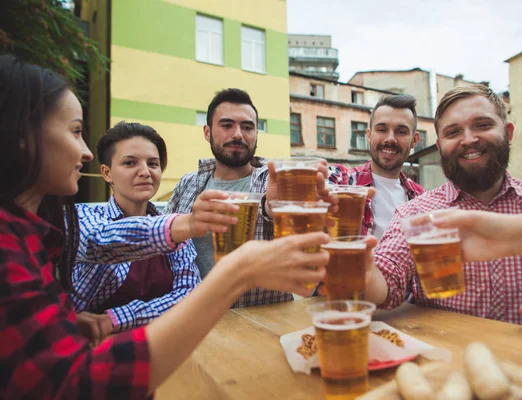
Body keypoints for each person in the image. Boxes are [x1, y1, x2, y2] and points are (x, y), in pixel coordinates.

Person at [0, 55, 330, 398]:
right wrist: (196, 234)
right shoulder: (182, 188)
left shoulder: (273, 180)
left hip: (258, 330)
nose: (83, 151)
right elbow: (105, 239)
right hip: (188, 339)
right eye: (76, 132)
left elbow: (167, 268)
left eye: (248, 126)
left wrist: (74, 323)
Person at [365, 84, 522, 341]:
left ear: (508, 133)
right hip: (444, 365)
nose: (468, 139)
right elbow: (387, 279)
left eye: (482, 125)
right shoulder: (416, 213)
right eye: (453, 132)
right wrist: (359, 269)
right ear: (440, 145)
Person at [164, 88, 333, 307]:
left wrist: (276, 210)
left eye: (247, 127)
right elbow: (165, 247)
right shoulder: (187, 184)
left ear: (256, 134)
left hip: (262, 322)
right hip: (197, 318)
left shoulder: (277, 181)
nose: (238, 134)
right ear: (207, 132)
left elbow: (307, 243)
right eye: (227, 125)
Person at [73, 122, 201, 339]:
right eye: (130, 163)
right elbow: (103, 240)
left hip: (162, 342)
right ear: (107, 173)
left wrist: (113, 319)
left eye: (153, 163)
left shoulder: (174, 227)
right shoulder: (84, 217)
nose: (145, 172)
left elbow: (189, 293)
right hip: (92, 346)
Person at [328, 94, 424, 239]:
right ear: (369, 135)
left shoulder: (420, 197)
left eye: (401, 131)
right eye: (382, 129)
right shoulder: (342, 181)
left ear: (414, 140)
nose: (390, 139)